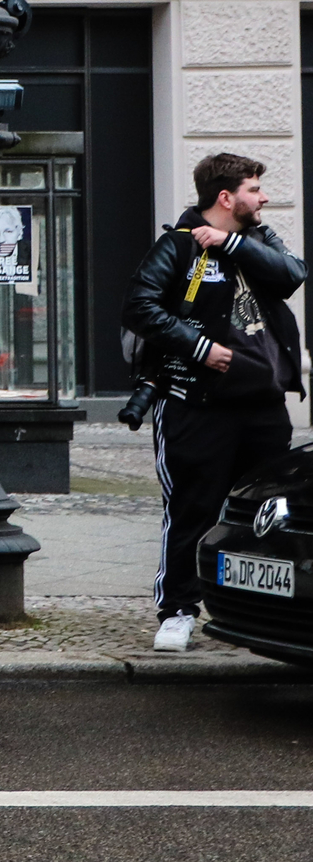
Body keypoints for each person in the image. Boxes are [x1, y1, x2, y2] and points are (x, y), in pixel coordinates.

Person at [121, 152, 306, 651]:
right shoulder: (177, 247)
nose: (263, 197)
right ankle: (178, 610)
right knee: (193, 508)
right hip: (195, 402)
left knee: (268, 515)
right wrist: (198, 347)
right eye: (254, 189)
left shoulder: (258, 241)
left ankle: (260, 613)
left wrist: (231, 243)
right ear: (226, 197)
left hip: (264, 408)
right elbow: (139, 306)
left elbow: (292, 274)